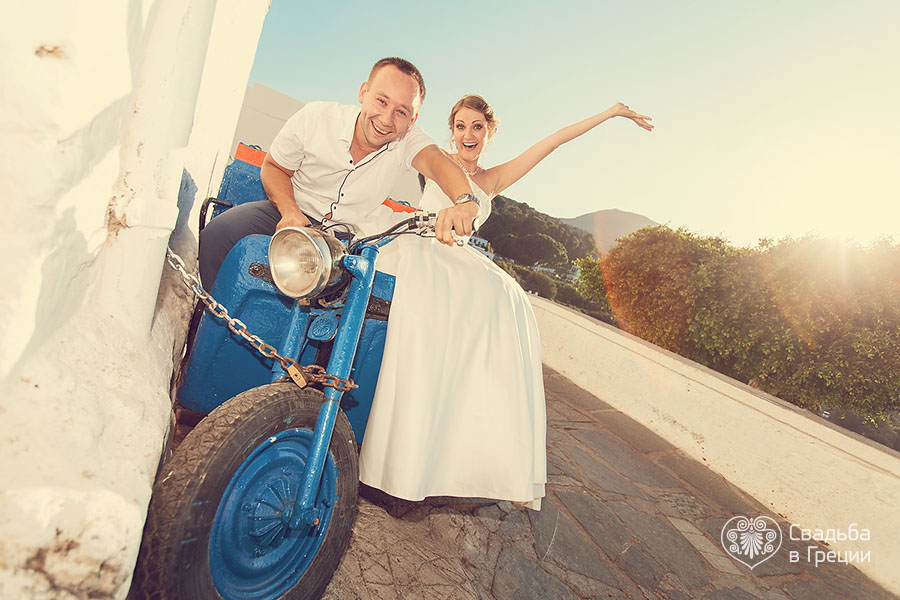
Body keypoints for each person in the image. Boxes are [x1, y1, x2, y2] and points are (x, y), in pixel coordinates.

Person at [359, 95, 653, 510]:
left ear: (488, 133)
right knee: (420, 316)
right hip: (421, 248)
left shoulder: (492, 181)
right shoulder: (435, 159)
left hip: (458, 262)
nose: (467, 134)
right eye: (460, 126)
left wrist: (610, 114)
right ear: (452, 130)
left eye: (477, 127)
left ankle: (452, 454)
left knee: (507, 300)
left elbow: (551, 143)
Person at [198, 57, 480, 287]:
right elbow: (274, 167)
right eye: (381, 101)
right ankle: (210, 325)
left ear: (412, 119)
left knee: (358, 298)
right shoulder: (316, 118)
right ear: (363, 93)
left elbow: (437, 162)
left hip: (346, 238)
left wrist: (466, 200)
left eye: (401, 112)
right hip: (288, 212)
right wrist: (290, 211)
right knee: (218, 236)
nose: (386, 119)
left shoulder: (409, 140)